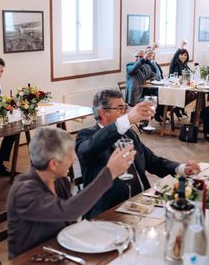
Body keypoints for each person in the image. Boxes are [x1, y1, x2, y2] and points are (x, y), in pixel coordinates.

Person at [7, 126, 135, 258]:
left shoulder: (59, 180)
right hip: (29, 263)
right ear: (53, 164)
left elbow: (70, 219)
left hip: (58, 252)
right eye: (69, 156)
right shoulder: (24, 191)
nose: (73, 160)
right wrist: (109, 173)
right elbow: (68, 211)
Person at [76, 89, 199, 217]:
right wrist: (127, 119)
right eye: (119, 108)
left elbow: (153, 161)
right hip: (109, 213)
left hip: (142, 205)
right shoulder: (86, 136)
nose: (124, 112)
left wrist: (182, 168)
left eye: (125, 107)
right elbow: (89, 149)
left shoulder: (128, 133)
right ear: (103, 113)